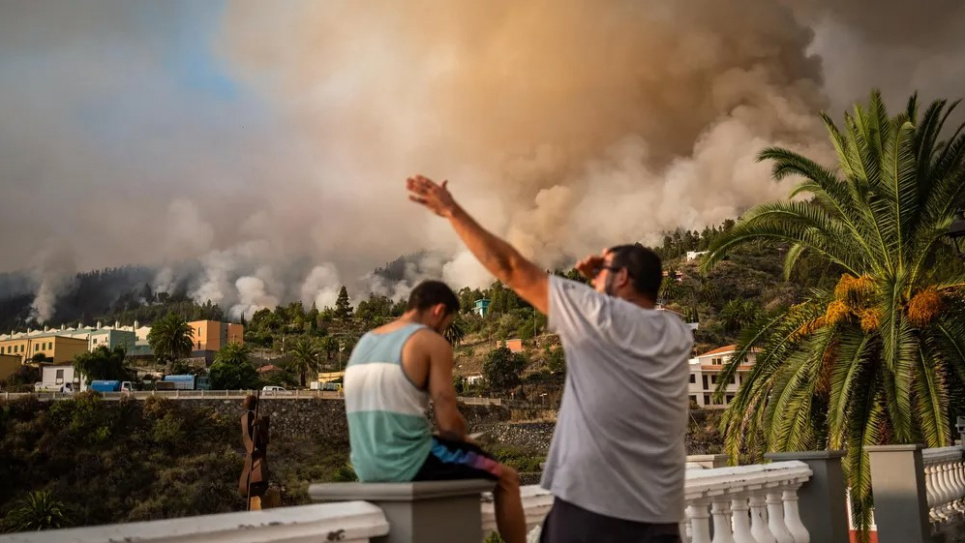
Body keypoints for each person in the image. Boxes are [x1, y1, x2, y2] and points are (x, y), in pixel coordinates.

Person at [406, 175, 694, 543]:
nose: (593, 281)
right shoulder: (676, 331)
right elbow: (630, 306)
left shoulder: (598, 316)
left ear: (622, 277)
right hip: (661, 516)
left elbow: (509, 267)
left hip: (596, 512)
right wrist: (603, 278)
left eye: (604, 272)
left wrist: (451, 210)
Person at [343, 280, 527, 543]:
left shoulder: (365, 342)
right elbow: (448, 425)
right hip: (409, 462)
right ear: (439, 310)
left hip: (365, 466)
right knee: (507, 479)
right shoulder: (430, 342)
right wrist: (464, 439)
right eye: (446, 326)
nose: (443, 332)